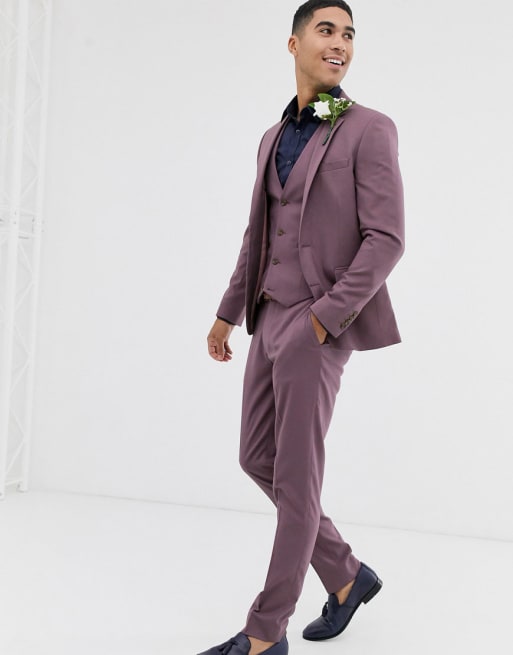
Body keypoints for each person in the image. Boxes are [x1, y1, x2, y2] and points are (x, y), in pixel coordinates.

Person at [200, 1, 405, 653]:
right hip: (266, 314)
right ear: (293, 45)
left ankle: (266, 631)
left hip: (318, 322)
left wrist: (323, 319)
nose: (340, 42)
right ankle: (346, 575)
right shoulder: (272, 137)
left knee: (295, 476)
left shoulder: (368, 129)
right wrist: (228, 311)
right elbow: (257, 234)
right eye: (326, 30)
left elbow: (386, 238)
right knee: (255, 457)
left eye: (349, 34)